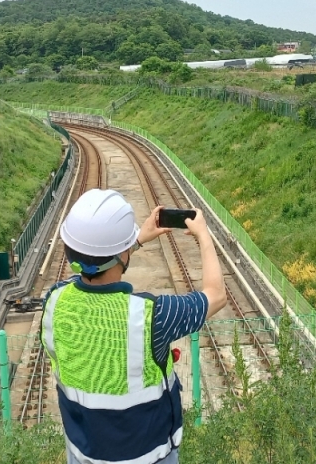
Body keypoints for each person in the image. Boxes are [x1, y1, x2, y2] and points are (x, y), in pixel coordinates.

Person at [41, 189, 227, 464]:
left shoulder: (55, 301)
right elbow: (217, 295)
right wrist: (204, 236)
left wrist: (133, 242)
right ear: (122, 254)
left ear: (69, 250)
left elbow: (90, 270)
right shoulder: (154, 317)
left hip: (83, 453)